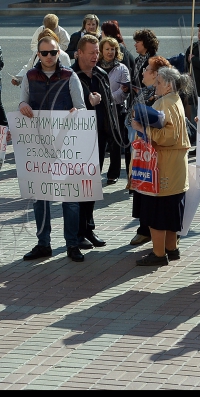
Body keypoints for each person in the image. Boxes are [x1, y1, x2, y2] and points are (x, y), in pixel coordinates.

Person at [19, 35, 86, 263]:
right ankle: (43, 243)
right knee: (40, 197)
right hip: (39, 143)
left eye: (53, 52)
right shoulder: (30, 76)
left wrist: (75, 112)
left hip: (66, 143)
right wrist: (23, 106)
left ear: (59, 53)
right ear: (38, 55)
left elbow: (81, 106)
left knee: (71, 198)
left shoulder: (69, 75)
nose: (49, 57)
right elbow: (22, 102)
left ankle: (72, 244)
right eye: (44, 53)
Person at [131, 66, 191, 265]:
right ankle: (171, 249)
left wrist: (142, 129)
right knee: (171, 211)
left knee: (157, 212)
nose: (155, 85)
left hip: (163, 166)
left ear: (168, 84)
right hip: (174, 166)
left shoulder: (164, 102)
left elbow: (168, 136)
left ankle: (158, 254)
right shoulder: (175, 100)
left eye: (158, 82)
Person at [72, 35, 122, 248]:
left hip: (98, 137)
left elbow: (110, 107)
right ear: (79, 53)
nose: (95, 56)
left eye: (97, 52)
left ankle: (88, 229)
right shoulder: (70, 76)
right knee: (78, 188)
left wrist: (114, 135)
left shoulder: (101, 75)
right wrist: (88, 102)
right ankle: (76, 232)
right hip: (76, 140)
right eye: (91, 52)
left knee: (92, 186)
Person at [127, 56, 171, 245]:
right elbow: (131, 116)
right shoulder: (147, 92)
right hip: (142, 150)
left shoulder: (164, 97)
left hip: (155, 152)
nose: (143, 71)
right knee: (140, 190)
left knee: (151, 193)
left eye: (147, 69)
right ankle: (144, 227)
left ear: (155, 75)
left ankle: (150, 232)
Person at [98, 36, 130, 183]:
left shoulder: (122, 68)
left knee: (115, 143)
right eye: (107, 49)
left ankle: (113, 174)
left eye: (113, 49)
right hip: (98, 110)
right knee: (97, 143)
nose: (110, 52)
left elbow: (124, 91)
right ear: (101, 50)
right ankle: (95, 172)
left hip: (116, 110)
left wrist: (106, 98)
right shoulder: (95, 66)